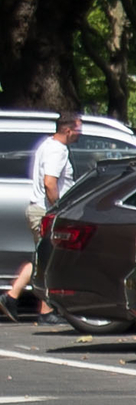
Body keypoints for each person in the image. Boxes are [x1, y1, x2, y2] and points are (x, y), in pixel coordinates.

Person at [6, 110, 80, 323]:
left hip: (38, 209)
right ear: (67, 130)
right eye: (77, 129)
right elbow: (50, 182)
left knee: (43, 258)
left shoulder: (47, 145)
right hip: (45, 212)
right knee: (50, 261)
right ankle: (46, 311)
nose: (79, 133)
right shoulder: (58, 150)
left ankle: (12, 297)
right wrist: (57, 209)